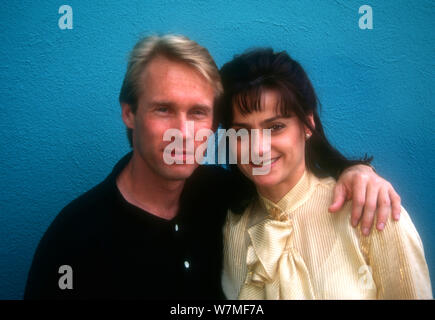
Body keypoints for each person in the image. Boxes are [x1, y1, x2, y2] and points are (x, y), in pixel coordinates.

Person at [25, 35, 402, 299]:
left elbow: (288, 184)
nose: (184, 133)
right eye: (163, 109)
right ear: (129, 112)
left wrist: (355, 173)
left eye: (199, 113)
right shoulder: (74, 241)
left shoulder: (224, 197)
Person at [220, 48, 432, 299]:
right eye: (242, 132)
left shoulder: (371, 209)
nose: (258, 148)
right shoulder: (230, 226)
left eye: (275, 127)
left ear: (307, 125)